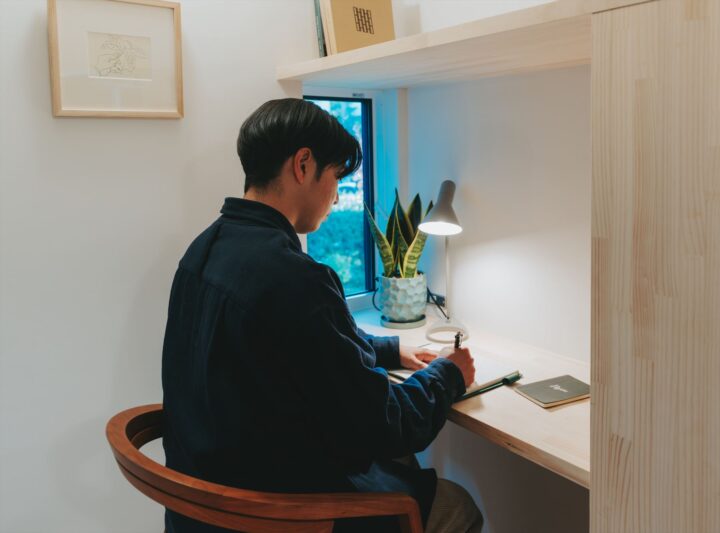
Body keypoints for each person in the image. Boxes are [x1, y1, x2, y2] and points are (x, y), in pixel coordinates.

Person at [161, 98, 482, 533]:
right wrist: (450, 374)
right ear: (303, 164)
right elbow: (386, 426)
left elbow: (291, 347)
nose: (336, 194)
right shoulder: (295, 278)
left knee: (399, 465)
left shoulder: (204, 250)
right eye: (336, 176)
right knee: (457, 505)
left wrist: (390, 350)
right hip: (280, 515)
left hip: (207, 508)